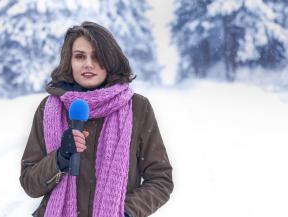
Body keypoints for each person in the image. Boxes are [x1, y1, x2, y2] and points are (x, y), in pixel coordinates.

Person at [19, 21, 173, 217]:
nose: (88, 64)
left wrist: (126, 211)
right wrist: (60, 158)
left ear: (110, 61)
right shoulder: (49, 109)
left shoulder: (137, 108)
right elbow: (30, 183)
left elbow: (161, 178)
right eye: (80, 56)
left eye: (97, 56)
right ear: (69, 61)